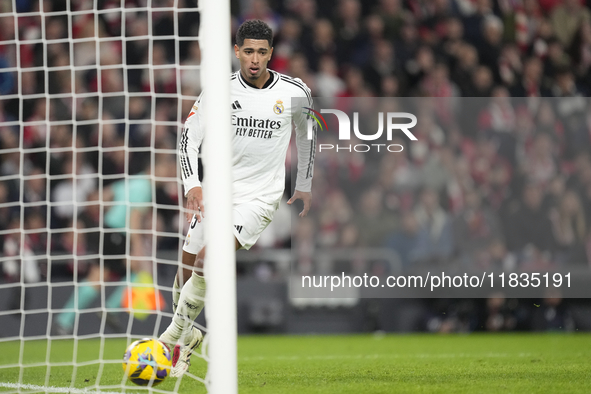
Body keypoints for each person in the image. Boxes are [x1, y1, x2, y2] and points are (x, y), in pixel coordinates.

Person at [158, 19, 315, 377]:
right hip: (215, 193)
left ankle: (170, 341)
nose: (255, 59)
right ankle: (189, 338)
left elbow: (309, 136)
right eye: (248, 51)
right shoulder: (218, 90)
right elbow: (188, 138)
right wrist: (192, 185)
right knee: (183, 277)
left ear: (271, 54)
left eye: (262, 52)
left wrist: (303, 182)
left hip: (259, 198)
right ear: (237, 52)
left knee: (205, 260)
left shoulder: (295, 92)